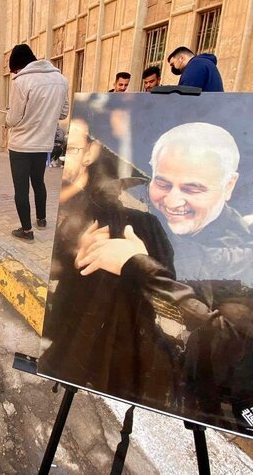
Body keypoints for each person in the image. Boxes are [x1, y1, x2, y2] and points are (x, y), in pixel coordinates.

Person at [76, 122, 253, 435]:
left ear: (229, 185)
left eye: (193, 188)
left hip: (222, 402)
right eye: (163, 183)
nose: (173, 201)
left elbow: (223, 332)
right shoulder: (158, 228)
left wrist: (136, 265)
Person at [39, 119, 181, 410]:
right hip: (93, 342)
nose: (113, 189)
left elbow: (167, 294)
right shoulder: (85, 216)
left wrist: (133, 262)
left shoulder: (143, 224)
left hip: (101, 345)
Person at [5, 43, 69, 241]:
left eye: (14, 70)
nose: (15, 73)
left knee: (21, 189)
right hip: (43, 144)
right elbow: (64, 112)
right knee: (39, 183)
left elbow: (13, 118)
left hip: (20, 145)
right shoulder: (61, 80)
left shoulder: (21, 82)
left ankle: (26, 231)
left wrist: (6, 119)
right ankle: (41, 220)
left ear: (18, 66)